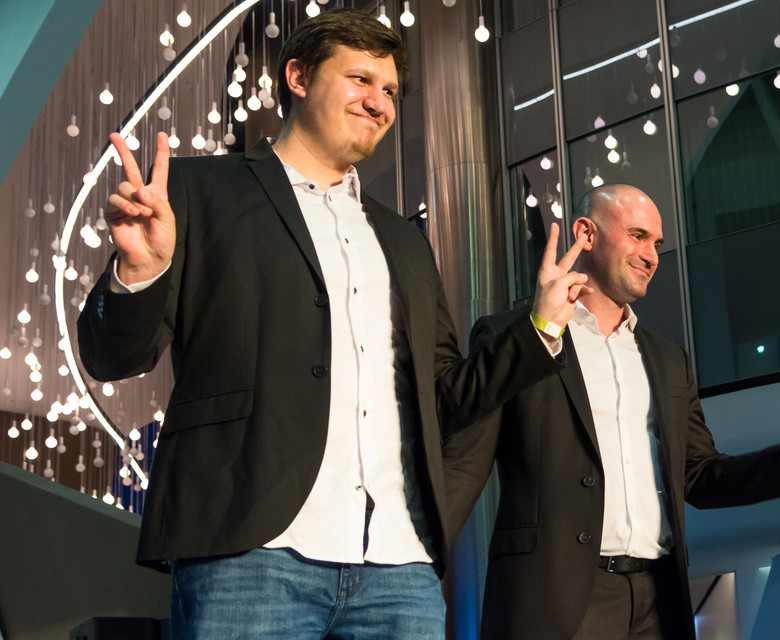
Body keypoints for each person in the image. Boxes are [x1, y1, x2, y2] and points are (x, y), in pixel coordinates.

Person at [77, 8, 588, 639]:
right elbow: (113, 357)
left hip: (398, 565)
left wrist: (540, 327)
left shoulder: (403, 239)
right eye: (361, 80)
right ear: (297, 77)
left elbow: (442, 397)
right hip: (248, 552)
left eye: (391, 90)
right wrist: (139, 273)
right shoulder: (195, 191)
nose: (380, 102)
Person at [443, 183, 780, 640]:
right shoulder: (515, 335)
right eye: (638, 236)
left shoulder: (668, 360)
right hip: (551, 601)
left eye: (658, 244)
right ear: (586, 234)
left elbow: (699, 474)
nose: (651, 255)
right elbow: (462, 456)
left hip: (658, 603)